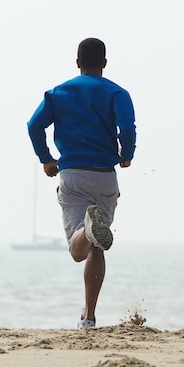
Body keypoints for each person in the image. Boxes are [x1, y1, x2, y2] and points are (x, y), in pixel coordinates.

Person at [27, 37, 136, 328]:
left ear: (77, 63)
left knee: (79, 250)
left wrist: (46, 158)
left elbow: (34, 125)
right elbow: (126, 127)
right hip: (105, 176)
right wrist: (127, 154)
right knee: (97, 245)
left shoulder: (58, 92)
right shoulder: (117, 93)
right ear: (104, 63)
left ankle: (88, 229)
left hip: (73, 173)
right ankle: (88, 317)